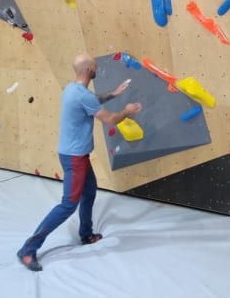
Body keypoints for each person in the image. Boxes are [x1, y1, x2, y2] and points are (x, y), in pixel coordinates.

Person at [16, 53, 141, 272]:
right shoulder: (83, 95)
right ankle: (28, 248)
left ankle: (86, 234)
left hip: (76, 155)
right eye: (95, 67)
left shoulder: (72, 89)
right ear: (88, 70)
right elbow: (110, 119)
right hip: (75, 158)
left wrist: (114, 94)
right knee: (68, 205)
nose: (97, 69)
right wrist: (127, 111)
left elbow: (92, 101)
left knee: (89, 191)